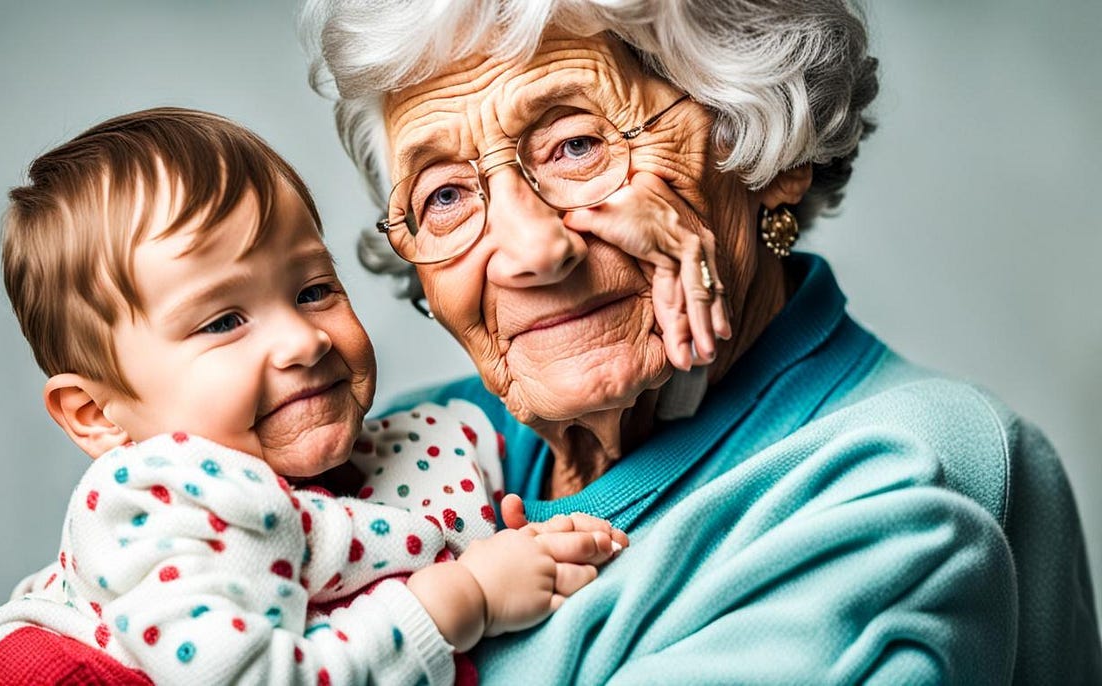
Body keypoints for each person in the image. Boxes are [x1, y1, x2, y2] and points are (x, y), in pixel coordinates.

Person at [292, 0, 1102, 683]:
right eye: (445, 195)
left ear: (767, 150)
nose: (529, 251)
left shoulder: (894, 478)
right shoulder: (404, 451)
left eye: (578, 145)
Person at [0, 107, 639, 685]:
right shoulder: (162, 502)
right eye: (224, 321)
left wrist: (500, 540)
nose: (304, 339)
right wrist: (464, 597)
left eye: (314, 290)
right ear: (96, 415)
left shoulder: (431, 440)